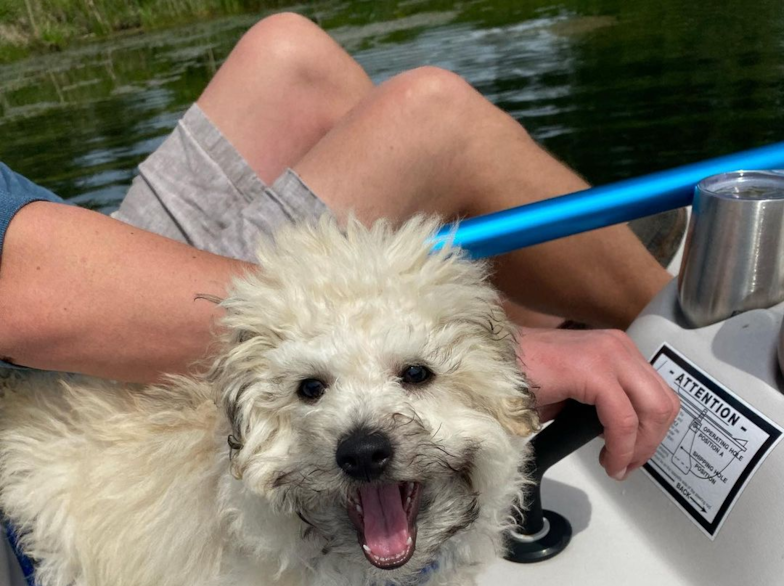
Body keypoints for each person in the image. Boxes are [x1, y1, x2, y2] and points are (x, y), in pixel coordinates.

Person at [0, 12, 679, 481]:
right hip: (43, 384)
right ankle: (687, 351)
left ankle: (543, 330)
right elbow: (20, 293)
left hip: (47, 245)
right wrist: (488, 358)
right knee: (433, 116)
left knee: (290, 57)